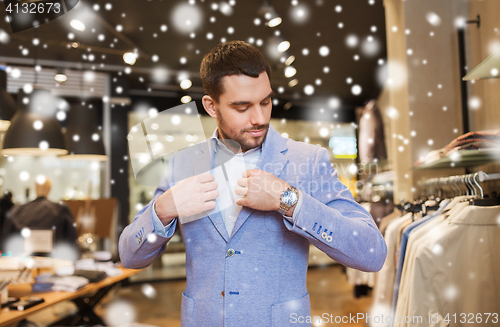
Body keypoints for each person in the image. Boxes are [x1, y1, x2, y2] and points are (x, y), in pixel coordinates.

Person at [119, 41, 387, 327]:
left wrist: (288, 200)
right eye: (242, 107)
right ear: (211, 106)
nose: (259, 118)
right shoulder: (183, 164)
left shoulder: (307, 160)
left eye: (265, 102)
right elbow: (130, 256)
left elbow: (372, 252)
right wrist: (163, 209)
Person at [1, 177, 77, 254]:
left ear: (36, 188)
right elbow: (71, 238)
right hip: (53, 259)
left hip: (23, 258)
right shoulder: (61, 210)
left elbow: (6, 237)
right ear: (49, 189)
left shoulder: (17, 210)